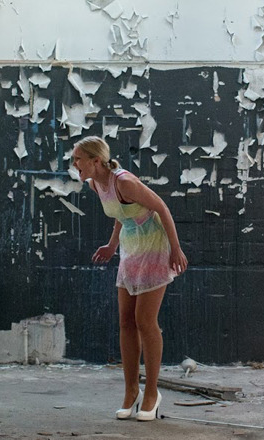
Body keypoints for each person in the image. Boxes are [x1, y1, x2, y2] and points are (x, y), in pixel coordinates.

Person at [72, 136, 187, 421]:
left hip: (155, 247)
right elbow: (121, 213)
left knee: (145, 321)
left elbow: (161, 208)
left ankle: (152, 393)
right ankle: (131, 390)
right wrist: (112, 245)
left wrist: (176, 249)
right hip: (131, 248)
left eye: (78, 159)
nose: (74, 164)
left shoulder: (124, 181)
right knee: (126, 321)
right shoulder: (95, 184)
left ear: (95, 161)